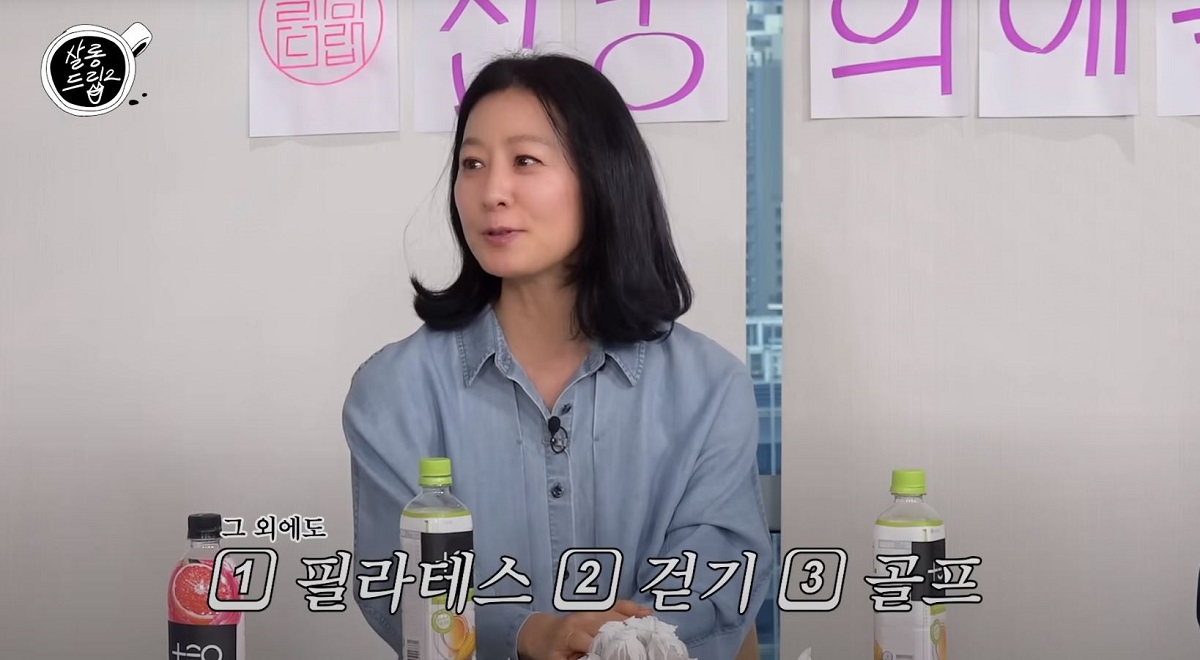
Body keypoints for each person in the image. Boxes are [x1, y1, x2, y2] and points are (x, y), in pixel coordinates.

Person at [342, 52, 772, 660]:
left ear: (602, 177)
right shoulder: (393, 390)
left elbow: (719, 575)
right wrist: (528, 633)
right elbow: (400, 586)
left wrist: (617, 643)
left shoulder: (709, 388)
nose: (492, 192)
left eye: (525, 161)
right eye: (472, 164)